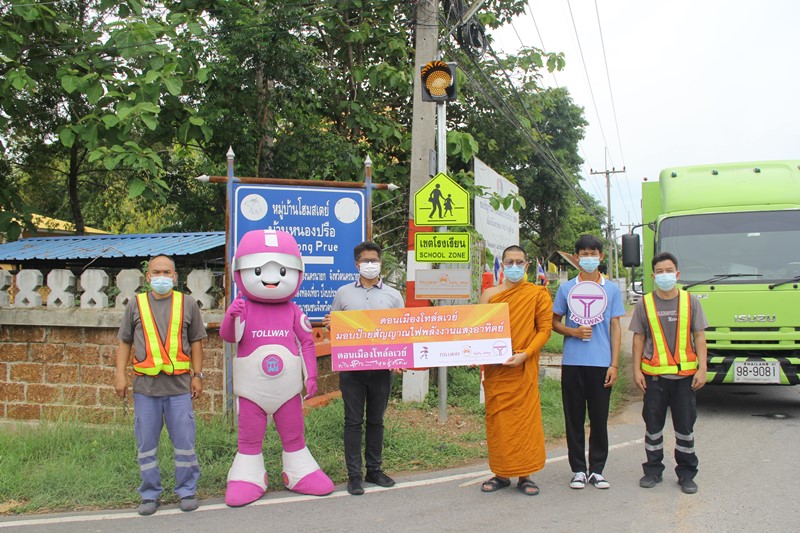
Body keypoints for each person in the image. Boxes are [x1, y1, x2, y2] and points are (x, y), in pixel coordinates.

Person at [114, 255, 207, 516]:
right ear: (148, 277)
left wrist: (198, 375)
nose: (162, 276)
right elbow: (124, 342)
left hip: (179, 389)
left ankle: (187, 491)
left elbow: (197, 341)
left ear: (175, 276)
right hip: (145, 390)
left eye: (167, 272)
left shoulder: (187, 303)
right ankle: (149, 494)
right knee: (146, 446)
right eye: (157, 272)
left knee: (185, 445)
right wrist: (119, 374)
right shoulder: (136, 304)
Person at [322, 242, 404, 496]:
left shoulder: (393, 295)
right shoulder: (343, 294)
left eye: (375, 260)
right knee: (353, 421)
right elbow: (332, 325)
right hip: (352, 370)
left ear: (381, 263)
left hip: (382, 369)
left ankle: (374, 470)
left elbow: (400, 330)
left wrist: (400, 358)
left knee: (377, 421)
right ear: (357, 264)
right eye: (365, 260)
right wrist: (330, 324)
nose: (370, 265)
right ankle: (354, 475)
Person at [630, 252, 708, 495]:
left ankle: (686, 474)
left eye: (669, 270)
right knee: (653, 427)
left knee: (684, 428)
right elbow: (638, 338)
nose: (665, 275)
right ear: (653, 275)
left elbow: (699, 337)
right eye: (660, 272)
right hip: (654, 378)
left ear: (677, 274)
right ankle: (652, 470)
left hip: (685, 378)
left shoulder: (690, 301)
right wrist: (636, 371)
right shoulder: (645, 303)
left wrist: (703, 369)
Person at [552, 235, 625, 490]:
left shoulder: (612, 289)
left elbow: (615, 327)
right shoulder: (566, 289)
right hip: (573, 363)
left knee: (599, 418)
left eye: (593, 254)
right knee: (573, 417)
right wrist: (573, 332)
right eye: (583, 254)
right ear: (576, 258)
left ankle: (597, 469)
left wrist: (614, 364)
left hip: (601, 364)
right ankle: (578, 470)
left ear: (601, 257)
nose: (588, 258)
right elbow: (554, 322)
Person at [478, 245, 553, 496]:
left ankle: (525, 475)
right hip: (497, 371)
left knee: (524, 422)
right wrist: (472, 353)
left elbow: (544, 330)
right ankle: (500, 473)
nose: (514, 266)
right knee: (499, 422)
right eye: (509, 262)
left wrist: (526, 354)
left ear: (527, 265)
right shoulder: (490, 294)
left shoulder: (538, 294)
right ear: (502, 264)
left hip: (523, 368)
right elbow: (479, 330)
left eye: (519, 262)